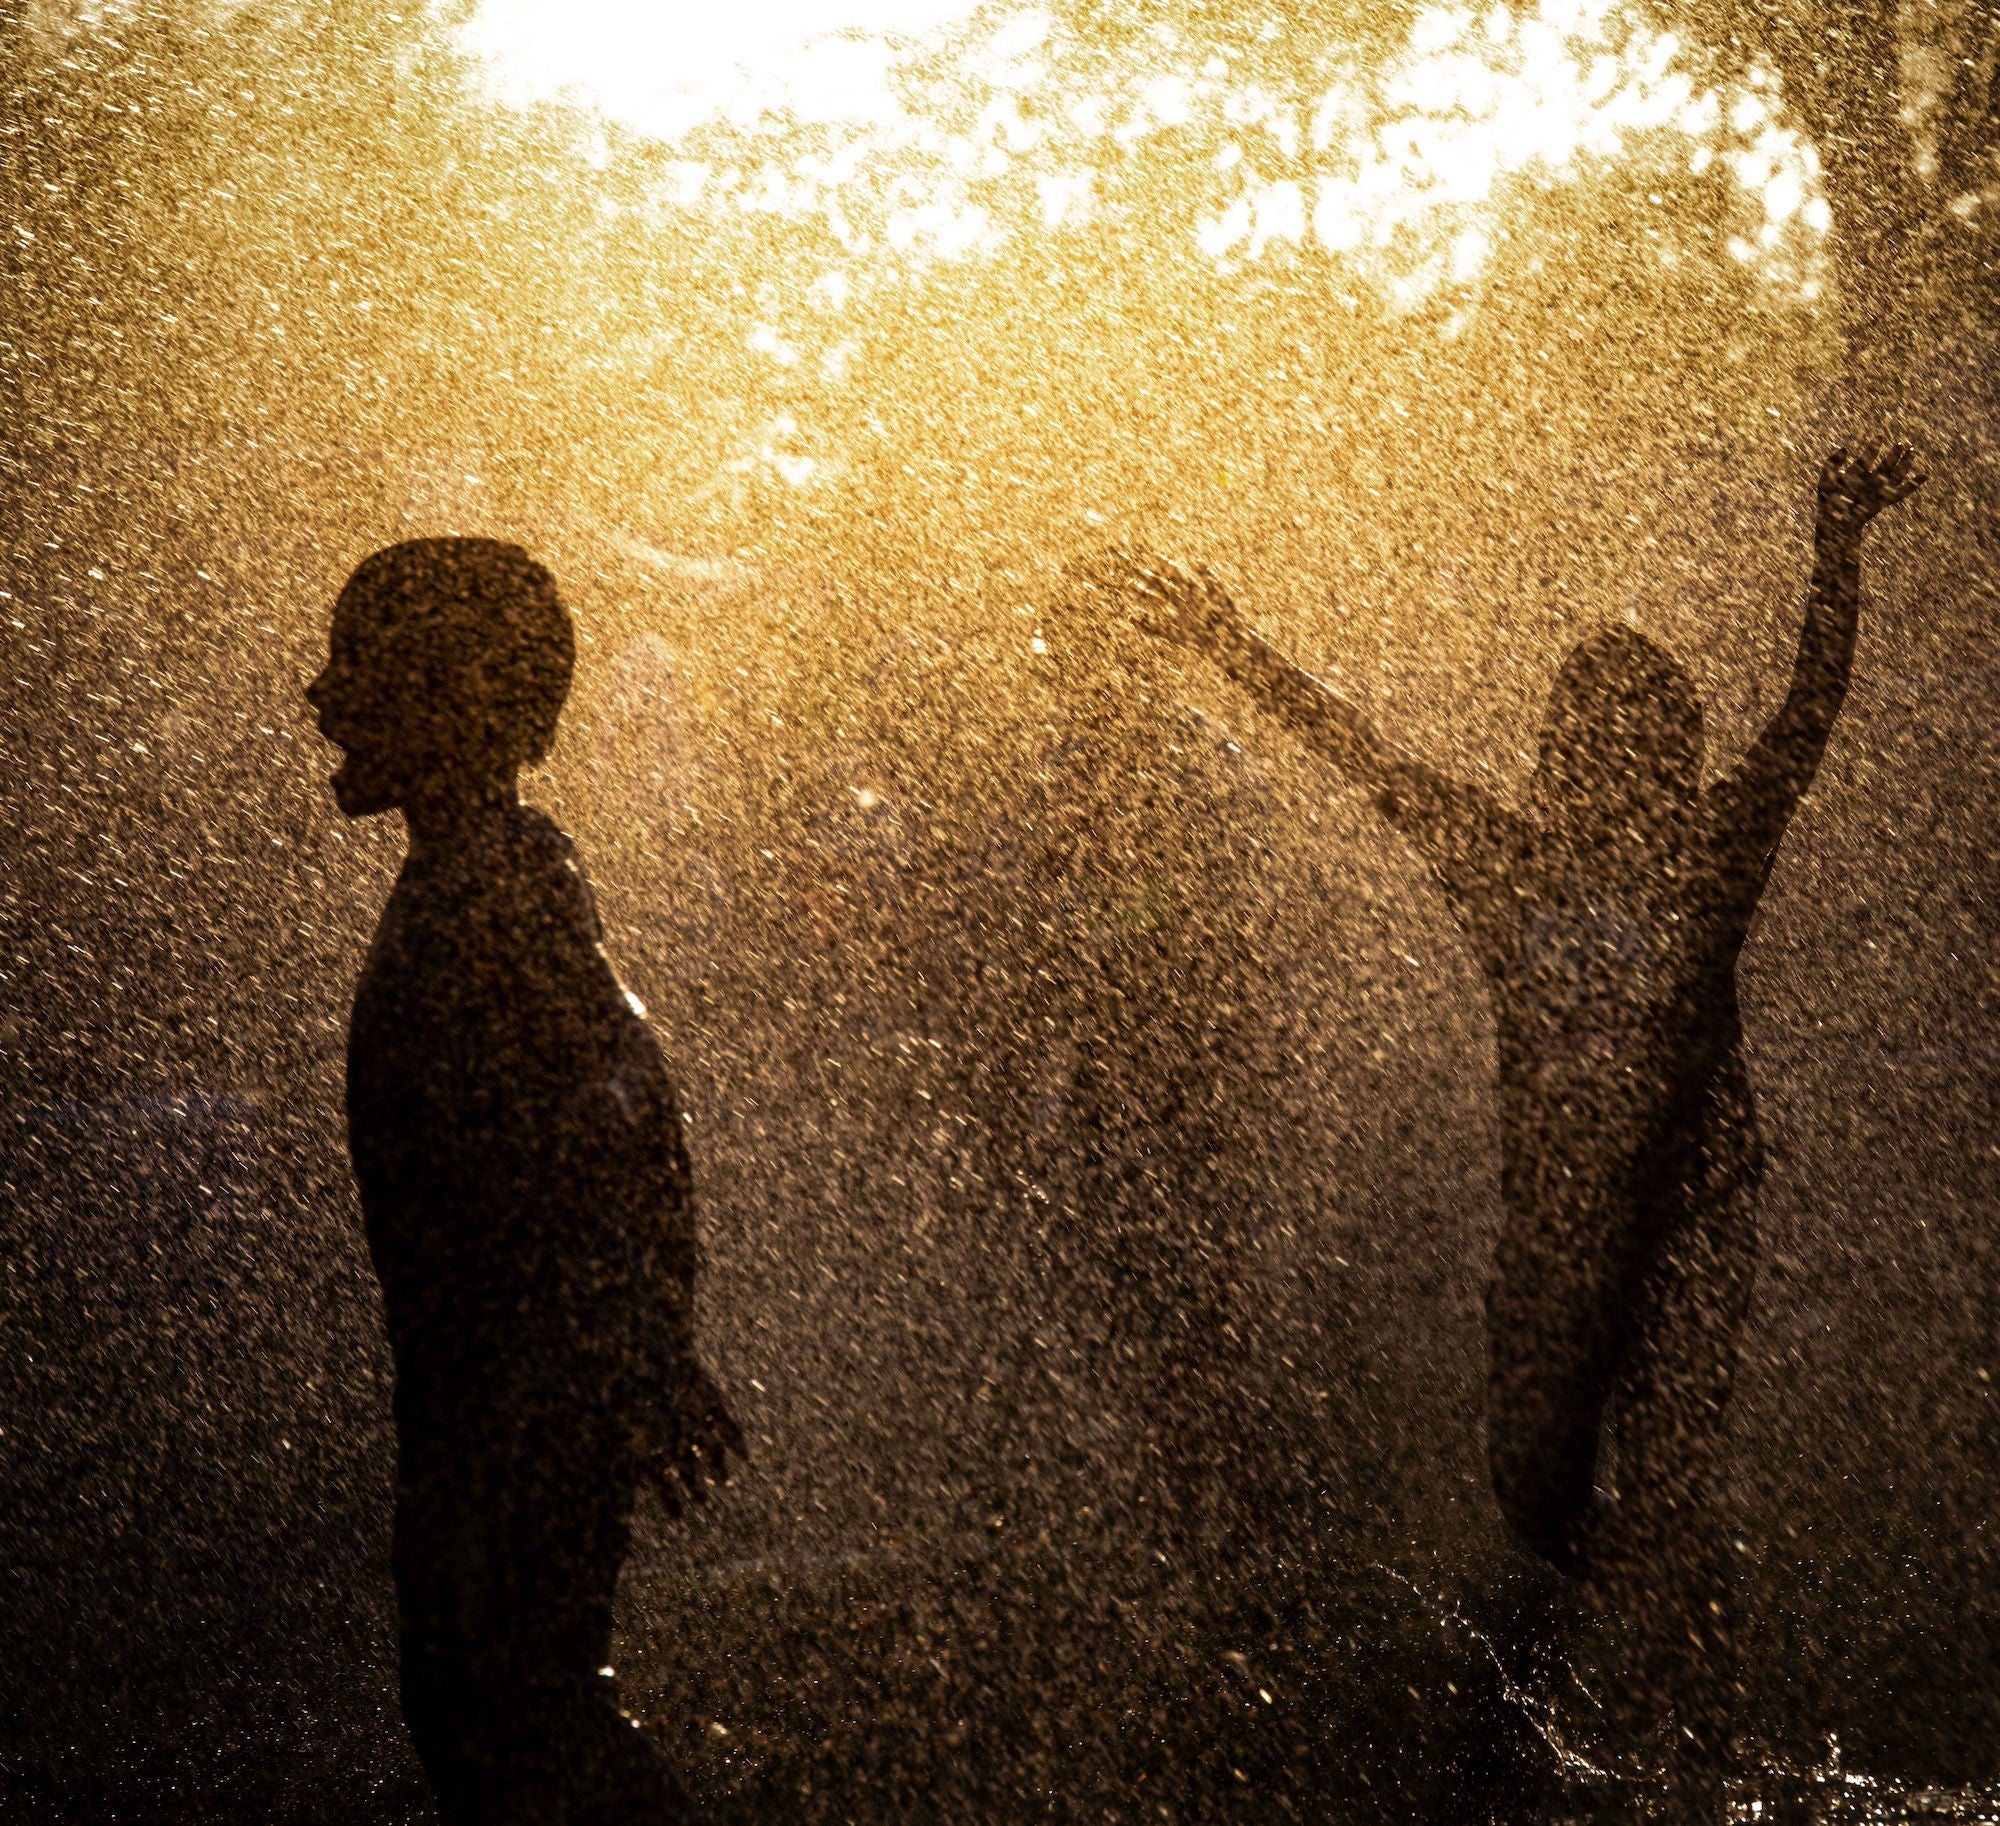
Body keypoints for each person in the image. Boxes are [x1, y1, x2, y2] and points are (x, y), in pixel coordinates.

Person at [1115, 445, 1923, 1807]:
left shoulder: (1712, 853)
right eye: (1586, 731)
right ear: (1562, 753)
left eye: (1635, 734)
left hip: (1688, 1226)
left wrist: (1835, 546)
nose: (1607, 758)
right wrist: (1227, 643)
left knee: (1659, 1490)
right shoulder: (1507, 866)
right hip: (1553, 1236)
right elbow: (1358, 751)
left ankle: (1693, 1738)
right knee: (1534, 1496)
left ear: (1670, 757)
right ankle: (1652, 1674)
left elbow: (1805, 715)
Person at [306, 538, 743, 1825]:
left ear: (446, 694)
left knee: (509, 1719)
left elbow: (620, 1127)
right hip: (495, 1395)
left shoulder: (496, 892)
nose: (321, 695)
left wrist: (633, 1343)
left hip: (517, 1399)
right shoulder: (485, 877)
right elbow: (625, 1118)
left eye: (356, 665)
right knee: (501, 1715)